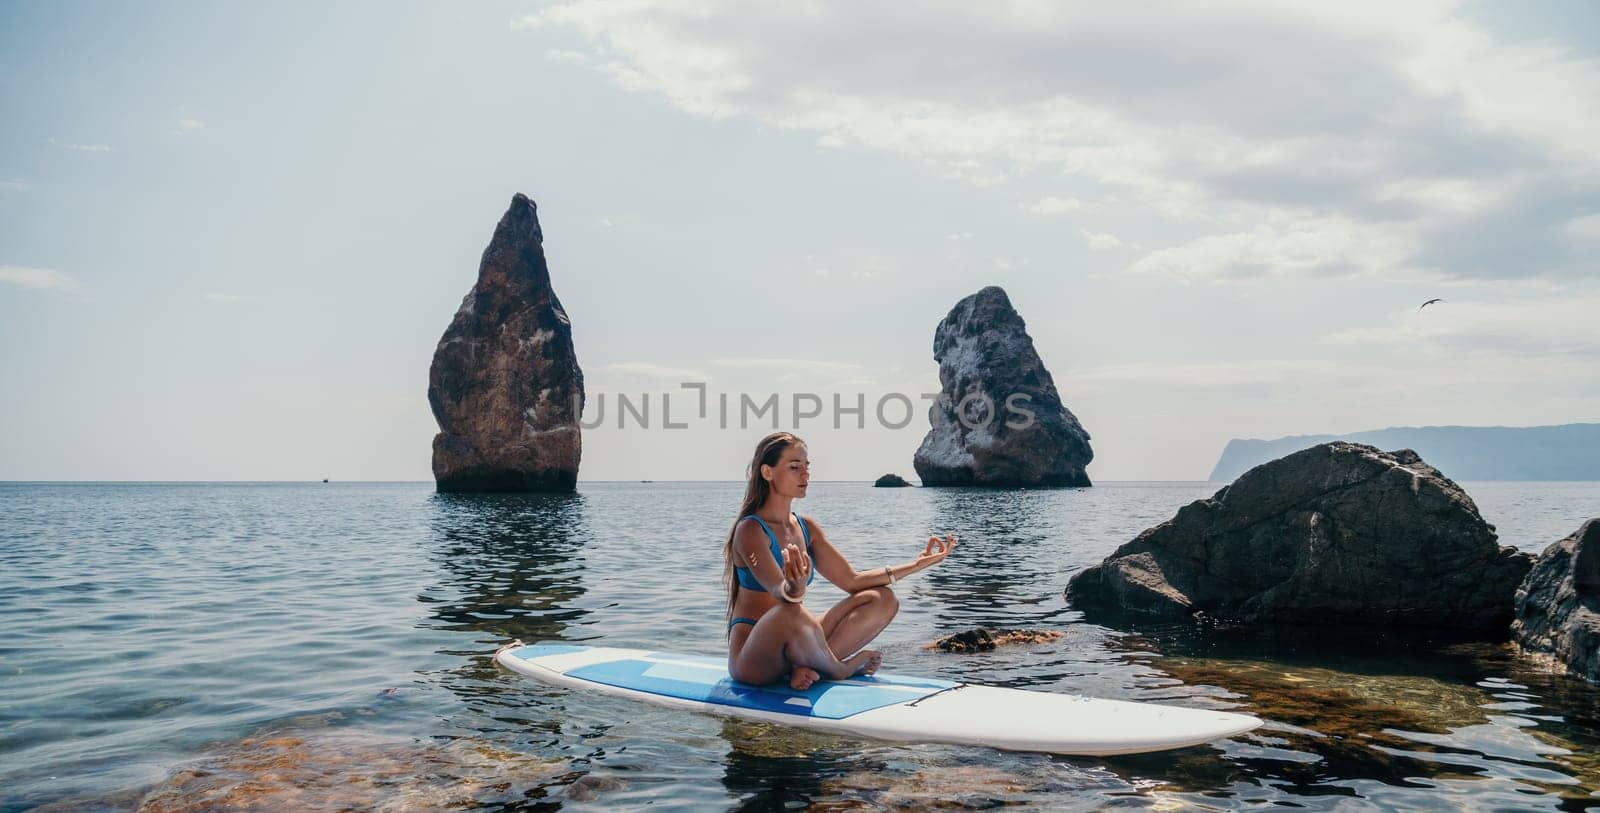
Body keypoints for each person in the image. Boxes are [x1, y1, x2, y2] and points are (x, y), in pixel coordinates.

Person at [724, 431, 957, 690]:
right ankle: (839, 668)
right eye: (794, 467)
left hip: (799, 638)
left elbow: (852, 580)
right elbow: (781, 593)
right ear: (767, 473)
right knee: (789, 611)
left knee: (882, 599)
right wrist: (795, 588)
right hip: (755, 657)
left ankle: (810, 668)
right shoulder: (750, 530)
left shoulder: (806, 527)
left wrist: (917, 565)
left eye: (807, 466)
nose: (805, 474)